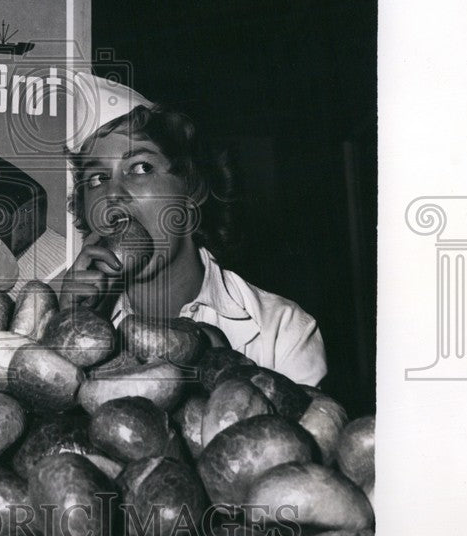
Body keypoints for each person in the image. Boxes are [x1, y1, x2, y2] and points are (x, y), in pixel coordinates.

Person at [60, 77, 327, 386]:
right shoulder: (76, 316)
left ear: (191, 190)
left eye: (141, 168)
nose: (113, 193)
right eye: (97, 178)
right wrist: (67, 337)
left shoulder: (283, 331)